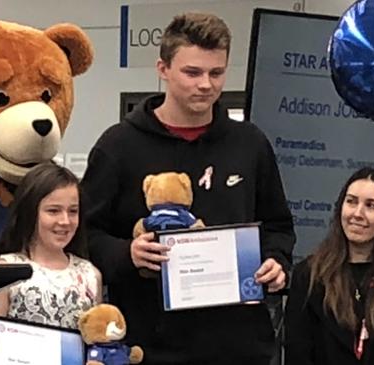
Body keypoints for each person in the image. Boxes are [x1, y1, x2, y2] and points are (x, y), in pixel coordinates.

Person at [80, 12, 295, 364]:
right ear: (163, 68)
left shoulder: (250, 143)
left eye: (216, 73)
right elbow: (86, 234)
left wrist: (276, 261)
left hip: (238, 345)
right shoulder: (119, 145)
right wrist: (126, 253)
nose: (206, 85)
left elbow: (278, 225)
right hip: (150, 345)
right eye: (192, 73)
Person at [285, 167, 374, 365]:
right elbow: (297, 353)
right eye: (351, 202)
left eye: (371, 206)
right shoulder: (308, 276)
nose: (358, 213)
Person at [0, 163, 102, 330]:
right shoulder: (7, 269)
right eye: (53, 211)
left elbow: (97, 338)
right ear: (31, 212)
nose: (65, 221)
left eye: (73, 211)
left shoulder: (90, 275)